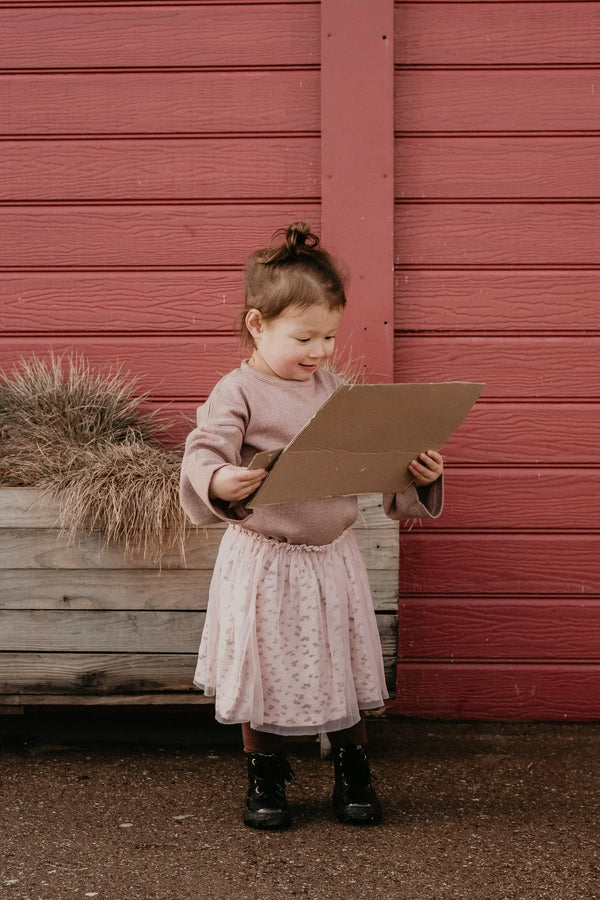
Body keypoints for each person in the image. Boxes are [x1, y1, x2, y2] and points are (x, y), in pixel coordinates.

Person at [180, 221, 443, 830]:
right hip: (266, 558)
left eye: (328, 335)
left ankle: (353, 770)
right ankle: (266, 777)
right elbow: (202, 449)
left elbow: (374, 461)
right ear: (256, 324)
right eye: (304, 337)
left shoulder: (333, 389)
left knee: (342, 663)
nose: (320, 350)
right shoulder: (237, 391)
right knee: (263, 667)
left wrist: (415, 472)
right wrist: (219, 480)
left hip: (331, 558)